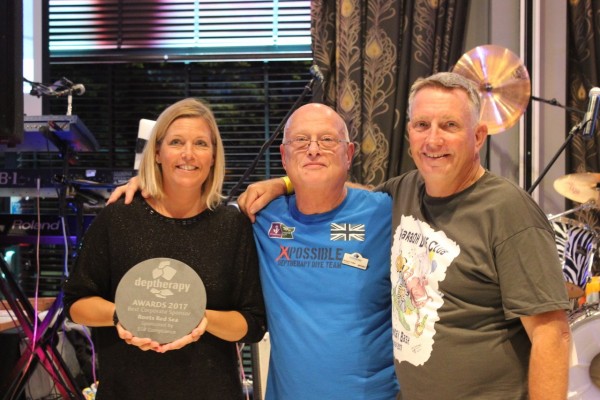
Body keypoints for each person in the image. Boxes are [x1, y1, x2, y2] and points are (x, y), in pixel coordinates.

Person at [237, 72, 572, 400]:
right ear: (409, 132)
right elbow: (335, 190)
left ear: (479, 136)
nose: (434, 139)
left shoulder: (508, 210)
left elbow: (551, 335)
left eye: (450, 125)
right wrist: (284, 182)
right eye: (422, 125)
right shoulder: (403, 193)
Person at [107, 103, 400, 399]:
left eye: (327, 140)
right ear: (283, 156)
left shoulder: (387, 213)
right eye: (300, 140)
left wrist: (282, 183)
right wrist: (153, 183)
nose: (313, 149)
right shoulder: (259, 217)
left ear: (348, 153)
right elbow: (189, 223)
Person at [64, 98, 266, 400]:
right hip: (127, 391)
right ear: (157, 153)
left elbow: (252, 324)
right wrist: (124, 316)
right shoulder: (119, 217)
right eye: (176, 142)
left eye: (200, 143)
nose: (188, 154)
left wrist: (200, 319)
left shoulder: (233, 224)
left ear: (213, 156)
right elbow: (77, 303)